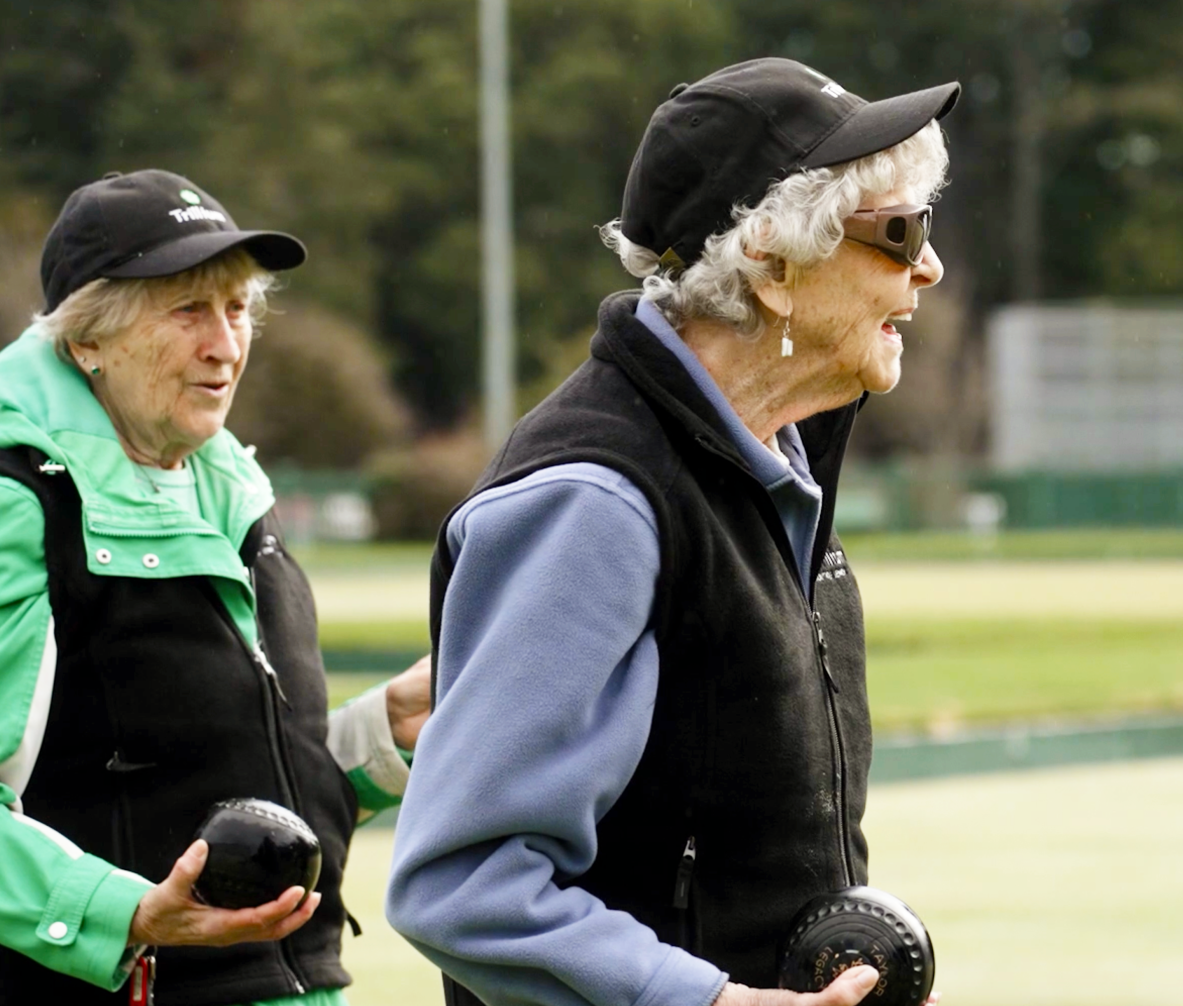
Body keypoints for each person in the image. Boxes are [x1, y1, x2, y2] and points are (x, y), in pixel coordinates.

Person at [385, 58, 958, 1006]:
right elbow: (461, 883)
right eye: (900, 233)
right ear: (773, 265)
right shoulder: (597, 502)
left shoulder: (778, 454)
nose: (928, 266)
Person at [0, 169, 432, 1005]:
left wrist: (381, 734)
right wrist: (128, 915)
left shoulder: (235, 494)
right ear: (85, 340)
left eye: (237, 309)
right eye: (187, 310)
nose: (226, 344)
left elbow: (228, 789)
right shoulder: (8, 512)